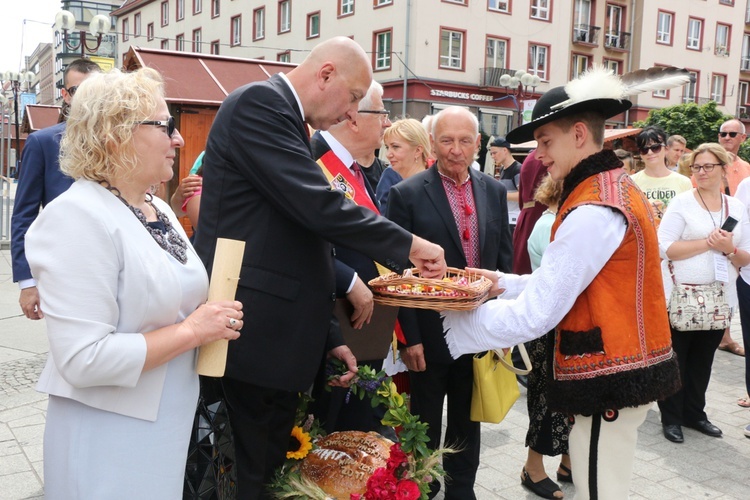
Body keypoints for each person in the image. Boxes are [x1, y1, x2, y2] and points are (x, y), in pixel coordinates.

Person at [192, 36, 446, 498]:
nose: (352, 114)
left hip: (277, 339)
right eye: (352, 99)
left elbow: (303, 241)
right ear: (325, 74)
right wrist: (408, 244)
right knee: (249, 478)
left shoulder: (289, 121)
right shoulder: (259, 105)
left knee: (270, 473)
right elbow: (318, 207)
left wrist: (328, 339)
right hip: (252, 338)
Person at [441, 69, 680, 500]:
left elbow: (540, 312)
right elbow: (577, 281)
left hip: (608, 375)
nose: (540, 155)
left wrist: (451, 319)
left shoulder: (594, 205)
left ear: (579, 133)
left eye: (546, 142)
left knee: (597, 491)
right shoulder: (611, 188)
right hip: (621, 366)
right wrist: (502, 283)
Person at [24, 68, 244, 499]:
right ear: (115, 135)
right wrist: (193, 330)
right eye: (165, 127)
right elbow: (83, 358)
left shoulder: (157, 207)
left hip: (174, 422)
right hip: (111, 437)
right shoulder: (76, 216)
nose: (178, 140)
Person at [386, 106, 513, 499]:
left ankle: (462, 489)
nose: (455, 150)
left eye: (464, 140)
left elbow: (504, 260)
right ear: (433, 143)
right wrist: (410, 339)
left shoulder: (493, 190)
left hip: (478, 329)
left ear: (479, 143)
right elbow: (397, 276)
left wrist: (505, 325)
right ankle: (424, 485)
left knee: (467, 417)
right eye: (446, 140)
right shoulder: (405, 194)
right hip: (429, 331)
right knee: (424, 418)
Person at [309, 80, 396, 434]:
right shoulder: (312, 158)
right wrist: (345, 277)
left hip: (361, 330)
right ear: (355, 118)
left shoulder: (356, 167)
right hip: (331, 326)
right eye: (383, 113)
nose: (388, 123)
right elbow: (303, 242)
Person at [657, 142, 750, 443]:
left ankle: (695, 413)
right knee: (677, 358)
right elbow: (665, 247)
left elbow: (745, 254)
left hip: (720, 298)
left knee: (703, 359)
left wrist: (730, 249)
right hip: (681, 296)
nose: (701, 172)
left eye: (708, 166)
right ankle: (671, 417)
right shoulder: (683, 203)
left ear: (724, 169)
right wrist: (707, 244)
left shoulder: (735, 206)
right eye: (697, 167)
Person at [10, 57, 101, 320]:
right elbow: (24, 215)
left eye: (93, 91)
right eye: (78, 91)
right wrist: (27, 282)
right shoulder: (43, 143)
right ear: (66, 96)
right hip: (65, 269)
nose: (86, 99)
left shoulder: (117, 142)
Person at [522, 174, 572, 499]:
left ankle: (568, 462)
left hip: (566, 324)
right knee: (545, 398)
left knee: (570, 398)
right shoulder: (549, 225)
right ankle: (532, 467)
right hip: (550, 326)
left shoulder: (561, 221)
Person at [717, 119, 750, 356]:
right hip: (715, 232)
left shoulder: (747, 169)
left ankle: (726, 336)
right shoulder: (709, 163)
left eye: (731, 134)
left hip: (738, 238)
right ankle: (722, 336)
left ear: (743, 138)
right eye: (722, 133)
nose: (726, 137)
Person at [631, 126, 692, 219]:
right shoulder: (631, 182)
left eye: (655, 147)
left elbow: (690, 216)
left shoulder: (684, 182)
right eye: (644, 149)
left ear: (666, 149)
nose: (650, 152)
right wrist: (645, 213)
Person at [376, 118, 431, 211]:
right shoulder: (390, 175)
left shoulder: (438, 181)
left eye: (395, 147)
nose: (388, 154)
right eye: (387, 147)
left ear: (418, 150)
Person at [512, 150, 548, 275]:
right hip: (541, 213)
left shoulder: (529, 158)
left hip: (526, 216)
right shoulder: (549, 157)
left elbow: (522, 197)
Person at [490, 137, 522, 233]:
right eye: (491, 153)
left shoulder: (518, 169)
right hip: (507, 217)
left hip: (515, 219)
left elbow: (522, 196)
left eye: (494, 153)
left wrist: (500, 194)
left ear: (505, 150)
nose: (492, 156)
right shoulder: (502, 169)